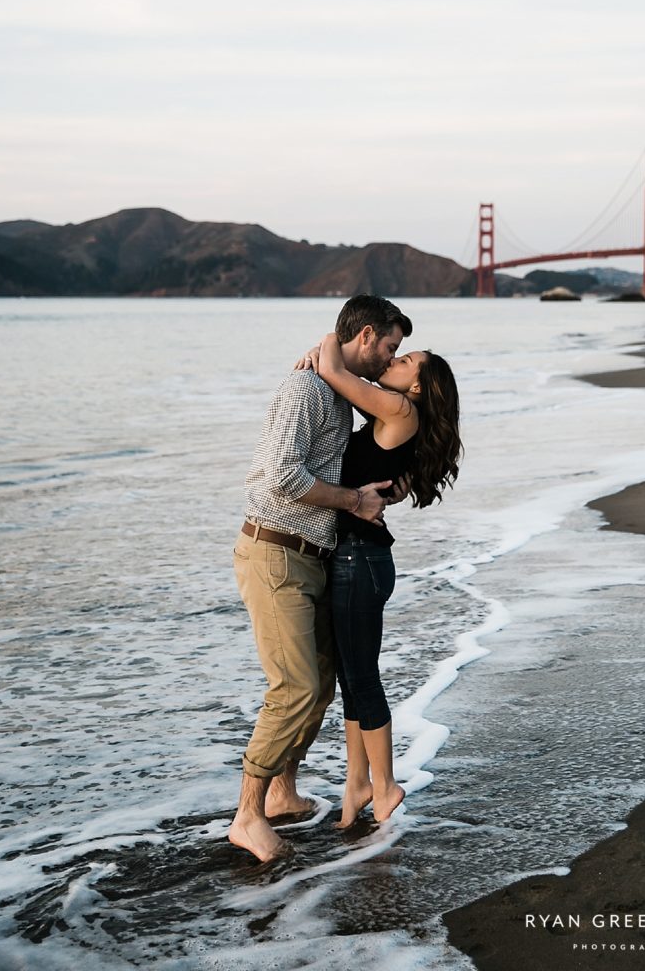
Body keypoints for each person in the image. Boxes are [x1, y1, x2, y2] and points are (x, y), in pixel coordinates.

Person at [228, 295, 413, 864]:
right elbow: (283, 475)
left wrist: (387, 484)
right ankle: (247, 815)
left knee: (324, 681)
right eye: (387, 347)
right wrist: (355, 500)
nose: (389, 360)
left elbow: (363, 451)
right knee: (296, 687)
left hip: (313, 556)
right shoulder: (307, 389)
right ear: (362, 336)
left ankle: (282, 792)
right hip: (275, 550)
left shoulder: (334, 389)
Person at [299, 331, 462, 829]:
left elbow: (334, 370)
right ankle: (357, 785)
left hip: (359, 561)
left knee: (362, 678)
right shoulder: (396, 420)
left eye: (405, 358)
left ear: (419, 386)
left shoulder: (400, 411)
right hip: (356, 558)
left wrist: (330, 340)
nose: (394, 360)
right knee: (353, 676)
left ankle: (385, 785)